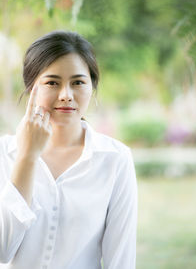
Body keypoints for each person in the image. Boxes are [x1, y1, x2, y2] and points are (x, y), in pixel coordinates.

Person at [0, 31, 138, 269]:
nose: (66, 95)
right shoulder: (4, 153)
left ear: (92, 87)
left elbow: (121, 258)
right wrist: (27, 157)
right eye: (52, 82)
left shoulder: (115, 159)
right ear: (31, 86)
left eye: (78, 82)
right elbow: (3, 249)